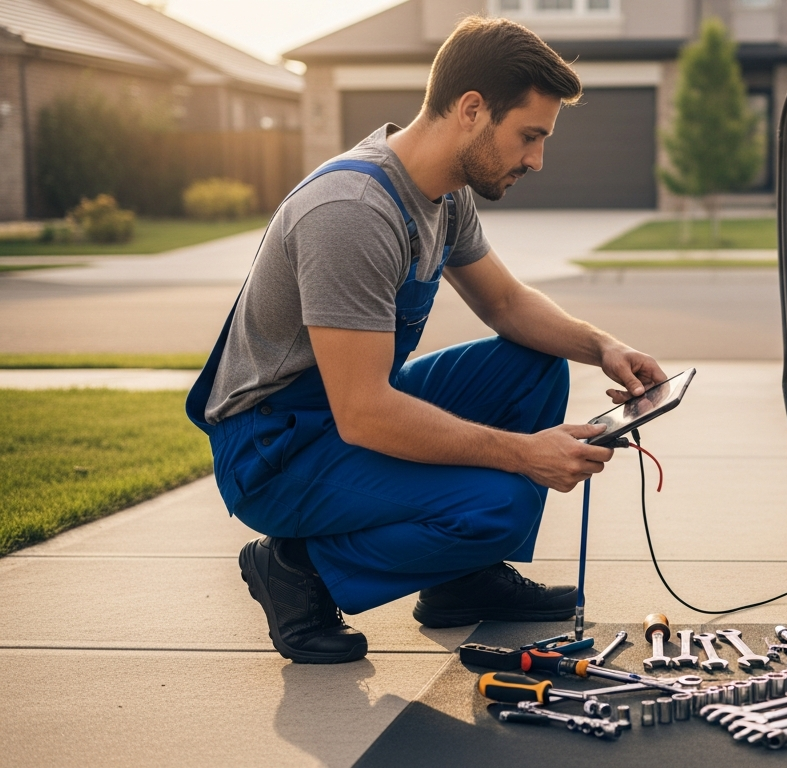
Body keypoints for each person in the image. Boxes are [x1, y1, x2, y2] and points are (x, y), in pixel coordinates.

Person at [185, 16, 665, 664]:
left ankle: (460, 580)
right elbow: (364, 413)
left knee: (536, 367)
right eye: (529, 136)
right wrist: (525, 454)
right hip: (275, 450)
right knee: (499, 505)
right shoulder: (352, 212)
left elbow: (505, 302)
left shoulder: (443, 195)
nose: (536, 160)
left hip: (339, 410)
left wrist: (603, 347)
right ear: (471, 110)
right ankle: (297, 571)